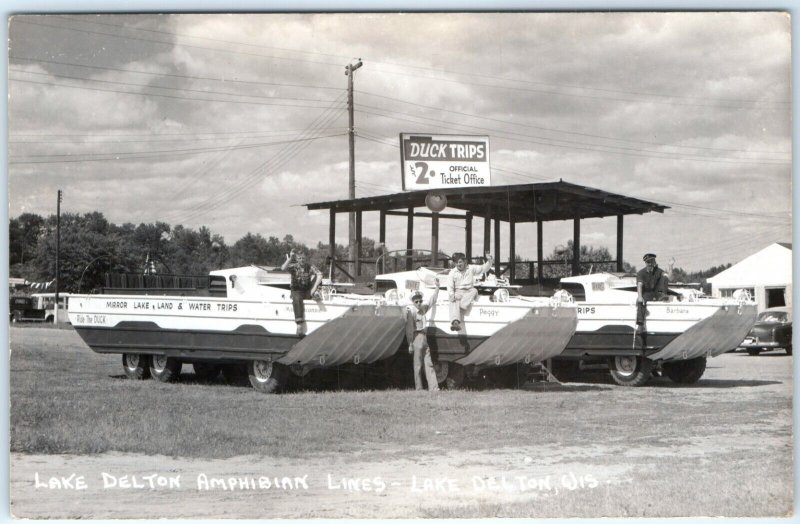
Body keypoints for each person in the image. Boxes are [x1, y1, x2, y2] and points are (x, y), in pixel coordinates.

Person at [405, 278, 440, 391]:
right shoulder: (412, 313)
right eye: (416, 301)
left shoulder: (423, 309)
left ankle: (434, 387)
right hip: (417, 338)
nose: (419, 303)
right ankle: (419, 388)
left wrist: (437, 288)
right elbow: (409, 329)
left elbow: (431, 301)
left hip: (424, 338)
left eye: (420, 301)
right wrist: (410, 343)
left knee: (428, 363)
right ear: (413, 302)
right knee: (418, 365)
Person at [446, 252, 493, 331]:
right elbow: (450, 286)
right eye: (456, 263)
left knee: (474, 290)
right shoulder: (452, 273)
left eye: (460, 262)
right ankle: (455, 322)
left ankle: (461, 307)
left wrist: (489, 260)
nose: (458, 264)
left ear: (465, 261)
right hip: (458, 292)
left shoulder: (471, 268)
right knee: (453, 298)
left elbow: (484, 268)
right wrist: (451, 295)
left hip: (469, 291)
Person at [281, 249, 322, 336]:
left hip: (307, 290)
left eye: (303, 258)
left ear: (305, 258)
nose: (301, 260)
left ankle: (315, 294)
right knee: (297, 299)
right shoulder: (294, 266)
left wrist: (313, 289)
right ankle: (299, 324)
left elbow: (320, 274)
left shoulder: (309, 266)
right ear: (297, 259)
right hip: (297, 290)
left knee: (318, 281)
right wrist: (289, 259)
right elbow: (283, 268)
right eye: (299, 258)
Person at [636, 253, 669, 328]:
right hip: (647, 294)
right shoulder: (641, 273)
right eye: (648, 262)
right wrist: (640, 296)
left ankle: (662, 296)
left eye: (652, 262)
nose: (650, 264)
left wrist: (670, 266)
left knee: (665, 277)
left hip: (657, 293)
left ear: (654, 262)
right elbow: (639, 285)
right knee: (640, 300)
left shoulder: (658, 271)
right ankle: (640, 322)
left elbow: (668, 277)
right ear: (645, 263)